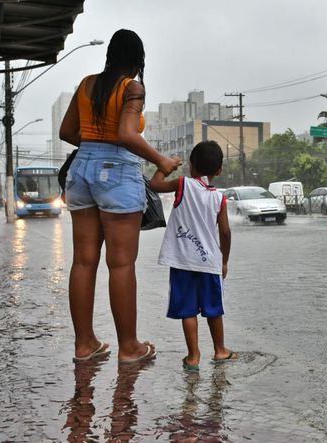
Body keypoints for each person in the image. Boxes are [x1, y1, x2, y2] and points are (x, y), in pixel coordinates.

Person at [59, 29, 180, 364]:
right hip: (117, 173)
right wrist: (161, 161)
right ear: (138, 60)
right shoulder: (132, 87)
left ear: (110, 55)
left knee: (83, 261)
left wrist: (94, 145)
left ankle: (84, 345)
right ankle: (129, 347)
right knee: (121, 264)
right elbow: (127, 134)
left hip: (81, 171)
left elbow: (67, 132)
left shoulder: (86, 85)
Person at [150, 140, 234, 371]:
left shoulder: (182, 184)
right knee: (213, 309)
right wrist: (224, 261)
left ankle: (193, 356)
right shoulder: (219, 198)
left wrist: (165, 167)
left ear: (190, 165)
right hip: (210, 264)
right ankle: (220, 350)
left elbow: (154, 184)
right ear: (219, 171)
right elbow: (225, 232)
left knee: (188, 310)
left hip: (182, 262)